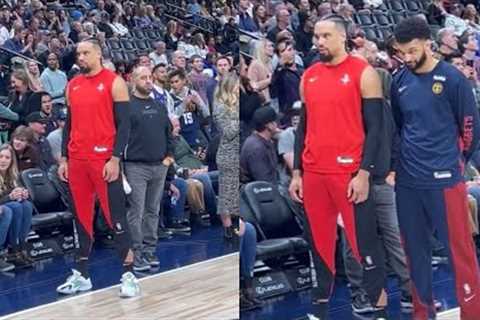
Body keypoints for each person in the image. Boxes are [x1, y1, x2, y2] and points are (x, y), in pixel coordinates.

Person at [289, 15, 389, 319]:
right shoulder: (309, 76)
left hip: (349, 174)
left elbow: (376, 129)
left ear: (342, 37)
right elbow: (302, 128)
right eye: (316, 36)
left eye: (325, 36)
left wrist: (364, 173)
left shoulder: (364, 72)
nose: (318, 41)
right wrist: (297, 172)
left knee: (364, 246)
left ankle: (380, 310)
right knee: (319, 246)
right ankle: (319, 312)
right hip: (314, 173)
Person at [391, 17, 480, 319]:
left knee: (460, 255)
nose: (408, 58)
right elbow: (400, 127)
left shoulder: (453, 79)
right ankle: (422, 314)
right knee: (415, 256)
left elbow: (470, 127)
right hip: (408, 184)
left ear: (428, 43)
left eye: (413, 50)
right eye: (402, 52)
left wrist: (456, 162)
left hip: (445, 181)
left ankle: (472, 313)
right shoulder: (399, 80)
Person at [56, 38, 140, 297]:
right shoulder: (73, 85)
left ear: (98, 54)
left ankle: (129, 276)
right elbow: (68, 124)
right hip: (77, 160)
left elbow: (124, 126)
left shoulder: (114, 82)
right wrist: (64, 158)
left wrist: (115, 158)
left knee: (116, 219)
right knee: (81, 219)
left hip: (104, 160)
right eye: (78, 53)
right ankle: (82, 275)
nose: (80, 57)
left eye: (85, 53)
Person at [124, 66, 174, 272]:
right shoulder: (126, 107)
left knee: (153, 211)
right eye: (143, 77)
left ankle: (149, 250)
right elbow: (119, 139)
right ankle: (137, 253)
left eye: (150, 78)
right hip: (135, 166)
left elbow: (169, 134)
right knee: (137, 211)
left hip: (159, 166)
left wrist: (169, 158)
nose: (148, 81)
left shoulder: (159, 106)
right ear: (133, 80)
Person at [213, 73, 239, 238]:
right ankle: (227, 229)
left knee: (235, 194)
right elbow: (229, 132)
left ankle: (236, 225)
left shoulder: (234, 106)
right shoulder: (221, 108)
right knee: (226, 195)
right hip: (228, 156)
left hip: (238, 154)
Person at [0, 144, 34, 267]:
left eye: (7, 158)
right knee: (13, 208)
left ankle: (19, 248)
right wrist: (10, 197)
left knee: (26, 205)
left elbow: (15, 196)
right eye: (1, 157)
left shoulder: (13, 175)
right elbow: (8, 200)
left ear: (11, 161)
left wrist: (23, 194)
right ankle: (9, 250)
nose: (3, 160)